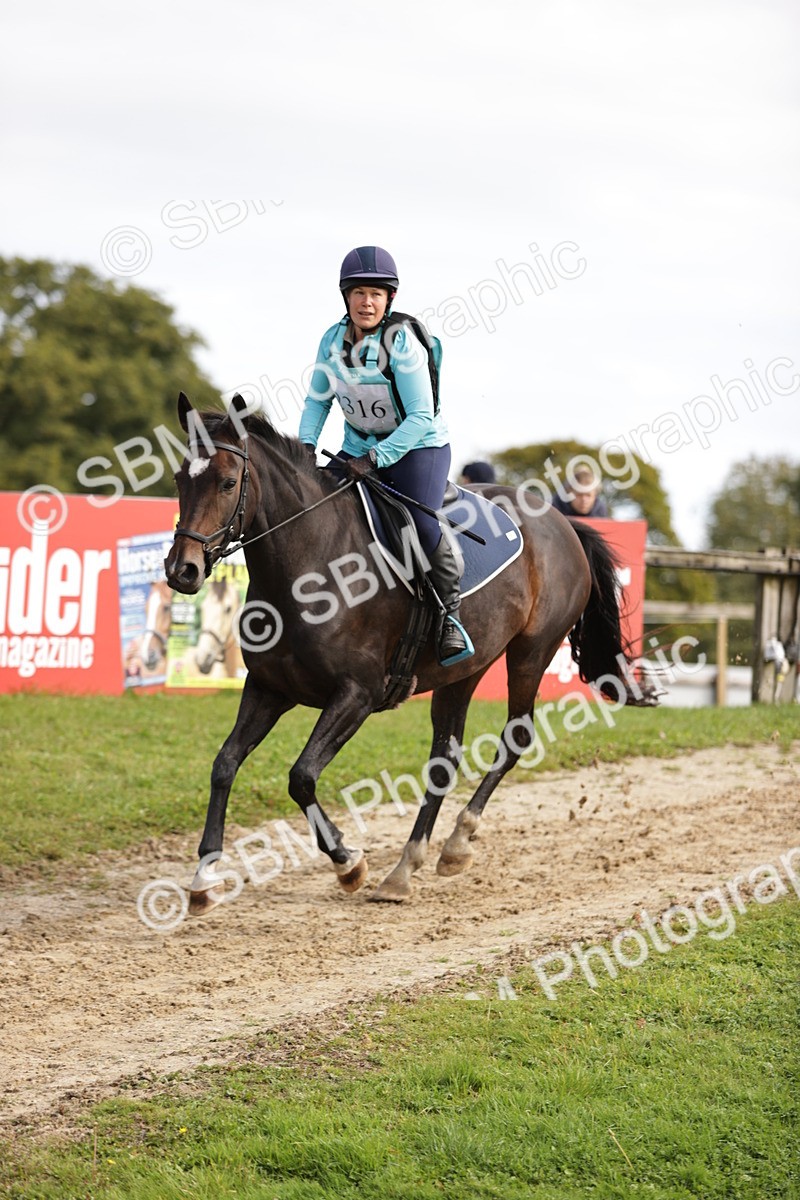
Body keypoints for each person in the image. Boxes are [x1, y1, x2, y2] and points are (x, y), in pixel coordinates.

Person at [299, 245, 473, 666]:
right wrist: (305, 446)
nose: (367, 302)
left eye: (376, 294)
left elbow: (420, 416)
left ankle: (450, 615)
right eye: (359, 293)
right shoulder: (331, 340)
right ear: (346, 297)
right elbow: (318, 400)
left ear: (389, 299)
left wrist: (376, 459)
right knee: (315, 510)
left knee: (421, 526)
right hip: (359, 447)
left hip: (418, 447)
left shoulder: (402, 344)